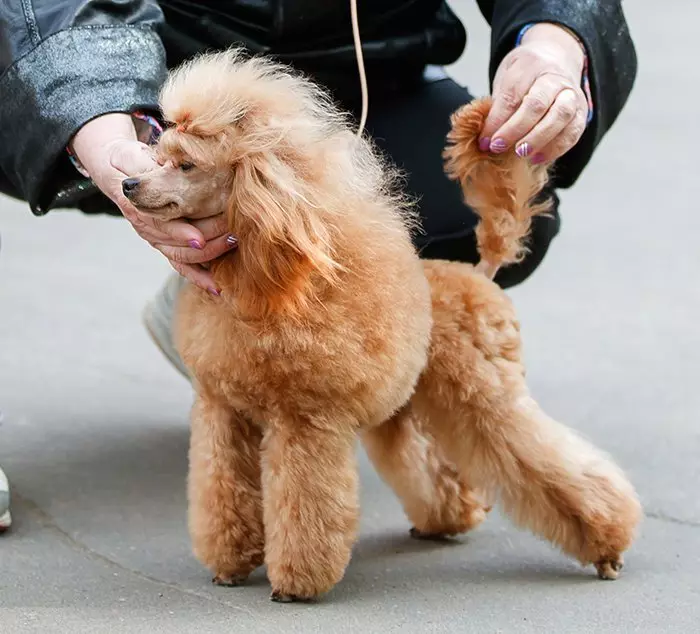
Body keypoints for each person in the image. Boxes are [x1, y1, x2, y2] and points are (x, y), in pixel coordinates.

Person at [0, 1, 637, 531]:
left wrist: (553, 45)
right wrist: (111, 139)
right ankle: (223, 285)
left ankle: (561, 508)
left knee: (447, 248)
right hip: (150, 78)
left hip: (368, 77)